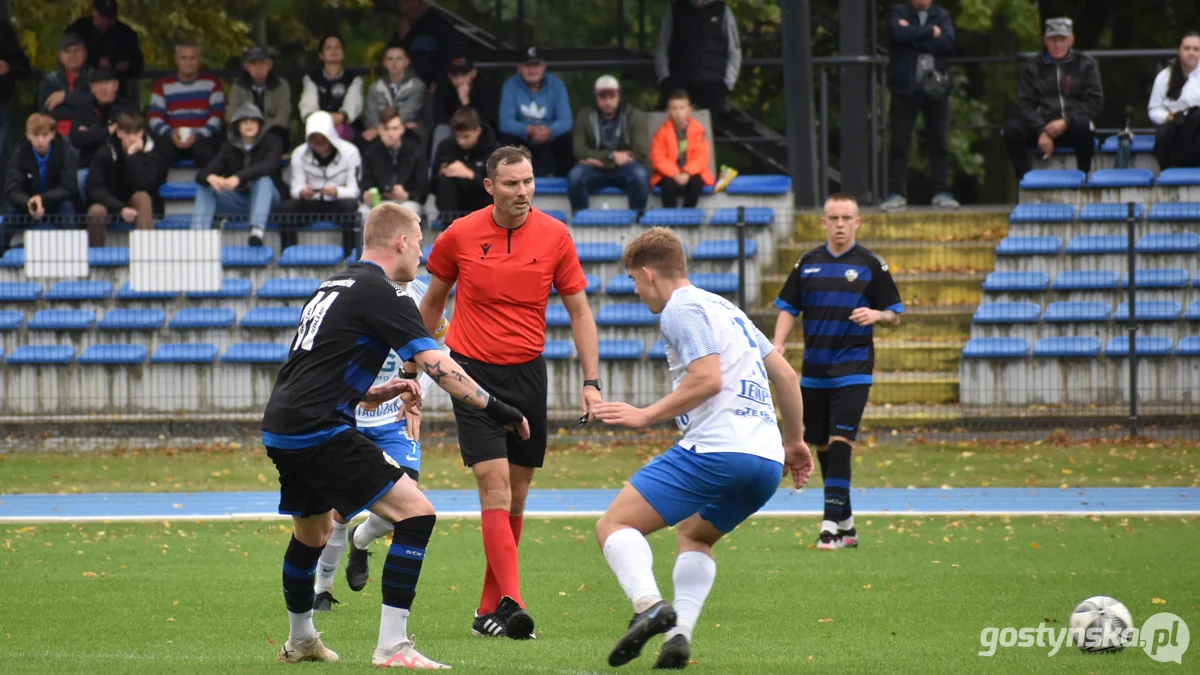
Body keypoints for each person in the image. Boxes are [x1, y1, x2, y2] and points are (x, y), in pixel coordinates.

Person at [260, 201, 529, 668]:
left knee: (314, 532)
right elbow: (437, 365)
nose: (422, 251)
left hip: (284, 424)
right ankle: (392, 647)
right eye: (420, 240)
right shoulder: (384, 292)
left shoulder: (334, 283)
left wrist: (377, 390)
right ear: (401, 241)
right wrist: (499, 408)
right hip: (319, 428)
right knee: (417, 513)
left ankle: (301, 639)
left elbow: (319, 367)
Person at [589, 226, 813, 669]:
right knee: (694, 534)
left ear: (650, 274)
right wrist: (794, 442)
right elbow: (786, 377)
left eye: (634, 280)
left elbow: (708, 378)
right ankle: (679, 635)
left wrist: (645, 414)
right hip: (766, 460)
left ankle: (648, 606)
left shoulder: (680, 308)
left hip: (718, 450)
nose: (636, 291)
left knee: (614, 525)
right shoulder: (727, 308)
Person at [419, 145, 602, 639]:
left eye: (528, 182)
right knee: (494, 486)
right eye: (511, 183)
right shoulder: (458, 235)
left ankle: (487, 611)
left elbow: (580, 312)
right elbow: (432, 304)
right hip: (471, 376)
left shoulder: (556, 236)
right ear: (490, 187)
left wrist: (591, 382)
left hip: (527, 376)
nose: (522, 191)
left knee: (515, 500)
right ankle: (515, 603)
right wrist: (412, 369)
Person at [770, 193, 903, 550]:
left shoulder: (872, 265)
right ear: (824, 222)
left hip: (854, 369)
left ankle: (829, 527)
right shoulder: (807, 263)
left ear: (857, 222)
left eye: (847, 218)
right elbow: (788, 308)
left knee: (841, 444)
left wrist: (876, 315)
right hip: (814, 372)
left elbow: (894, 313)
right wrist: (777, 344)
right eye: (834, 218)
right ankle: (847, 525)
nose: (840, 224)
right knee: (824, 446)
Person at [310, 276, 451, 613]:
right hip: (351, 418)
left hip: (395, 421)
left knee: (406, 505)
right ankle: (323, 589)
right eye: (415, 243)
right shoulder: (353, 290)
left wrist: (417, 397)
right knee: (340, 509)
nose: (420, 254)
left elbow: (441, 351)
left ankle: (361, 540)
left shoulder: (423, 296)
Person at [1003, 18, 1104, 180]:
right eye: (1053, 40)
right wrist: (1041, 129)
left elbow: (1094, 102)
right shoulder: (1031, 67)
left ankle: (1084, 175)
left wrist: (1066, 121)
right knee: (1011, 130)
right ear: (1045, 41)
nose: (1057, 45)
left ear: (1071, 40)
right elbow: (1025, 104)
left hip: (1072, 126)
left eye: (1062, 39)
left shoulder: (1086, 65)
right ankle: (1024, 180)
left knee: (1084, 126)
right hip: (1041, 127)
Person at [881, 0, 958, 211]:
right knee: (899, 142)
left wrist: (913, 37)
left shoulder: (942, 14)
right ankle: (896, 193)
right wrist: (930, 32)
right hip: (905, 88)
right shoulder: (898, 10)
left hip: (936, 90)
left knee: (939, 142)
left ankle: (940, 192)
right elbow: (897, 35)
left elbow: (948, 42)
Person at [190, 103, 285, 245]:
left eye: (253, 121)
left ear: (260, 125)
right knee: (205, 188)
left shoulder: (272, 141)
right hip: (239, 202)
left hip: (269, 202)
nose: (249, 124)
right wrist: (210, 177)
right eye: (244, 121)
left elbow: (269, 166)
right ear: (237, 126)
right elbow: (201, 175)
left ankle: (256, 232)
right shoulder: (228, 146)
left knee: (263, 179)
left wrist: (238, 178)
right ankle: (197, 237)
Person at [282, 111, 362, 255]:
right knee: (287, 207)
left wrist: (337, 191)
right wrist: (302, 192)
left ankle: (350, 255)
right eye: (314, 140)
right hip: (311, 203)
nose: (319, 144)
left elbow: (354, 190)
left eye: (323, 139)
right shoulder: (299, 154)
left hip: (338, 203)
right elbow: (295, 188)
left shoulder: (350, 152)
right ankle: (289, 254)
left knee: (350, 207)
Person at [568, 75, 650, 213]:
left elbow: (641, 153)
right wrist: (612, 156)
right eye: (602, 97)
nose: (607, 101)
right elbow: (579, 150)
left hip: (625, 166)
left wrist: (598, 159)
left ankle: (638, 221)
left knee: (640, 176)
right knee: (575, 177)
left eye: (612, 96)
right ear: (596, 97)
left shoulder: (635, 115)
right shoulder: (584, 115)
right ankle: (580, 219)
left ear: (619, 95)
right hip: (595, 169)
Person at [85, 111, 168, 246]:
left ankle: (147, 253)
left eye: (136, 133)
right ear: (119, 133)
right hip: (109, 203)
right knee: (96, 211)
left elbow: (147, 185)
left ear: (142, 133)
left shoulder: (152, 154)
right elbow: (94, 188)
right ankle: (96, 259)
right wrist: (120, 208)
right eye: (128, 133)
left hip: (136, 202)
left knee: (143, 197)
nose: (132, 138)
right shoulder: (105, 152)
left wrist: (132, 157)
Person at [3, 113, 79, 252]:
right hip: (27, 205)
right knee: (9, 217)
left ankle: (71, 253)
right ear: (28, 135)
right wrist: (29, 203)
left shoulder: (65, 151)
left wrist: (43, 199)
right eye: (35, 135)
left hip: (57, 204)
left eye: (44, 135)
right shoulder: (20, 154)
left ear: (52, 134)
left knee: (68, 209)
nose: (40, 140)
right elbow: (12, 189)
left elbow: (69, 187)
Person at [655, 0, 742, 116]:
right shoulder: (675, 10)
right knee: (673, 131)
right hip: (678, 83)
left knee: (705, 131)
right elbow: (662, 46)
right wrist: (664, 78)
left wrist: (727, 84)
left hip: (712, 86)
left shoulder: (723, 10)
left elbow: (734, 50)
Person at [498, 47, 574, 177]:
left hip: (549, 137)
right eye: (527, 65)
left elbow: (567, 121)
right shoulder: (510, 85)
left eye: (536, 65)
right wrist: (529, 130)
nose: (532, 70)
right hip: (522, 138)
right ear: (519, 67)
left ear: (544, 66)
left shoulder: (557, 85)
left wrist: (549, 130)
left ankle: (564, 184)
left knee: (567, 140)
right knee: (506, 139)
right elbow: (505, 123)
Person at [148, 42, 226, 168]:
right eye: (183, 58)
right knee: (158, 155)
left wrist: (198, 135)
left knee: (209, 153)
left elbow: (217, 118)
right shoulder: (162, 84)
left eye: (192, 58)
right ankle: (150, 188)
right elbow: (154, 119)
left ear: (199, 60)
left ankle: (211, 186)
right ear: (176, 60)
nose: (188, 62)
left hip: (202, 138)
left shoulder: (212, 83)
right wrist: (171, 133)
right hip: (172, 137)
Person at [649, 90, 714, 209]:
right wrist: (675, 174)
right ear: (667, 111)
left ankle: (688, 216)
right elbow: (657, 158)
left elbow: (702, 157)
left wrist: (687, 173)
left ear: (689, 110)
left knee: (696, 183)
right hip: (669, 174)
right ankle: (670, 220)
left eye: (682, 108)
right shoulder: (661, 133)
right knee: (668, 186)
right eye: (674, 108)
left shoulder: (698, 130)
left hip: (691, 173)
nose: (678, 112)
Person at [65, 0, 143, 98]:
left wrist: (127, 65)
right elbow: (68, 58)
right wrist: (96, 62)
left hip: (116, 94)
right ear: (94, 12)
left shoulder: (126, 34)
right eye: (102, 17)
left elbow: (138, 63)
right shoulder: (78, 30)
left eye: (110, 18)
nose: (106, 22)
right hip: (82, 91)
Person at [431, 107, 499, 219]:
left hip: (482, 206)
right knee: (446, 181)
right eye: (457, 136)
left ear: (478, 130)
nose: (461, 141)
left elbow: (496, 190)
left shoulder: (494, 150)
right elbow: (433, 187)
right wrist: (440, 174)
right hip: (453, 207)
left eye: (466, 136)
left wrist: (469, 174)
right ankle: (449, 226)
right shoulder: (445, 147)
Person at [361, 107, 428, 218]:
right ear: (379, 130)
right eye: (386, 129)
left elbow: (423, 191)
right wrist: (367, 196)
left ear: (402, 129)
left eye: (395, 128)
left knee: (408, 210)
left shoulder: (416, 151)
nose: (390, 134)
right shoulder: (371, 153)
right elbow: (365, 185)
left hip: (407, 202)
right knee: (363, 212)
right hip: (379, 202)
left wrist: (407, 195)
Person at [69, 66, 140, 171]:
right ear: (92, 89)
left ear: (116, 86)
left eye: (107, 83)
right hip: (89, 167)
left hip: (121, 166)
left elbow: (133, 135)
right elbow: (76, 139)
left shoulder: (129, 108)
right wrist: (108, 130)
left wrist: (91, 133)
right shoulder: (83, 111)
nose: (103, 88)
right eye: (98, 84)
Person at [298, 34, 365, 142]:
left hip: (346, 128)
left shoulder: (354, 79)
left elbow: (352, 108)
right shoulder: (311, 78)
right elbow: (308, 106)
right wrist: (324, 120)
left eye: (337, 47)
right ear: (321, 55)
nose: (334, 50)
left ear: (343, 53)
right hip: (318, 126)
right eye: (329, 47)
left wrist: (340, 117)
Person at [1149, 32, 1200, 170]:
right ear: (1179, 50)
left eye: (1196, 49)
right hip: (1175, 126)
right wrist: (1167, 116)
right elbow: (1154, 109)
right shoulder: (1165, 76)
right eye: (1187, 48)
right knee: (1163, 135)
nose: (1191, 53)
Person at [431, 57, 500, 156]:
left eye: (464, 75)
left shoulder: (485, 88)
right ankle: (439, 166)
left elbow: (485, 118)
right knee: (441, 130)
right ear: (449, 76)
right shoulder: (444, 87)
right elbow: (439, 115)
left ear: (473, 73)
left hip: (477, 128)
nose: (460, 80)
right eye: (455, 76)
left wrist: (466, 102)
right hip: (452, 127)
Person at [228, 46, 293, 150]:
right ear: (246, 66)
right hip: (245, 133)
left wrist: (260, 130)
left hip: (272, 132)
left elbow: (283, 116)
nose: (258, 67)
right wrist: (248, 128)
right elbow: (232, 113)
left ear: (270, 65)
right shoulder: (238, 86)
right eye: (253, 64)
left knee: (277, 134)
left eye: (262, 63)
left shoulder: (281, 85)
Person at [364, 45, 426, 145]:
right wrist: (381, 130)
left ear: (407, 62)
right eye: (390, 59)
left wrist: (388, 128)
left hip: (406, 131)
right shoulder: (375, 88)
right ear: (384, 63)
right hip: (379, 131)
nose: (394, 63)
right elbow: (371, 116)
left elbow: (409, 113)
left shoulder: (417, 86)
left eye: (399, 58)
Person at [37, 34, 94, 140]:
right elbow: (47, 111)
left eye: (77, 51)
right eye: (67, 51)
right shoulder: (50, 81)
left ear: (85, 54)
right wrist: (80, 102)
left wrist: (66, 97)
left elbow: (96, 104)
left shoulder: (95, 78)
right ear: (60, 56)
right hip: (56, 136)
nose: (72, 56)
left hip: (88, 132)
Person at [0, 18, 33, 171]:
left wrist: (9, 67)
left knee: (2, 156)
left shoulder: (3, 30)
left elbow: (25, 67)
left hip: (1, 103)